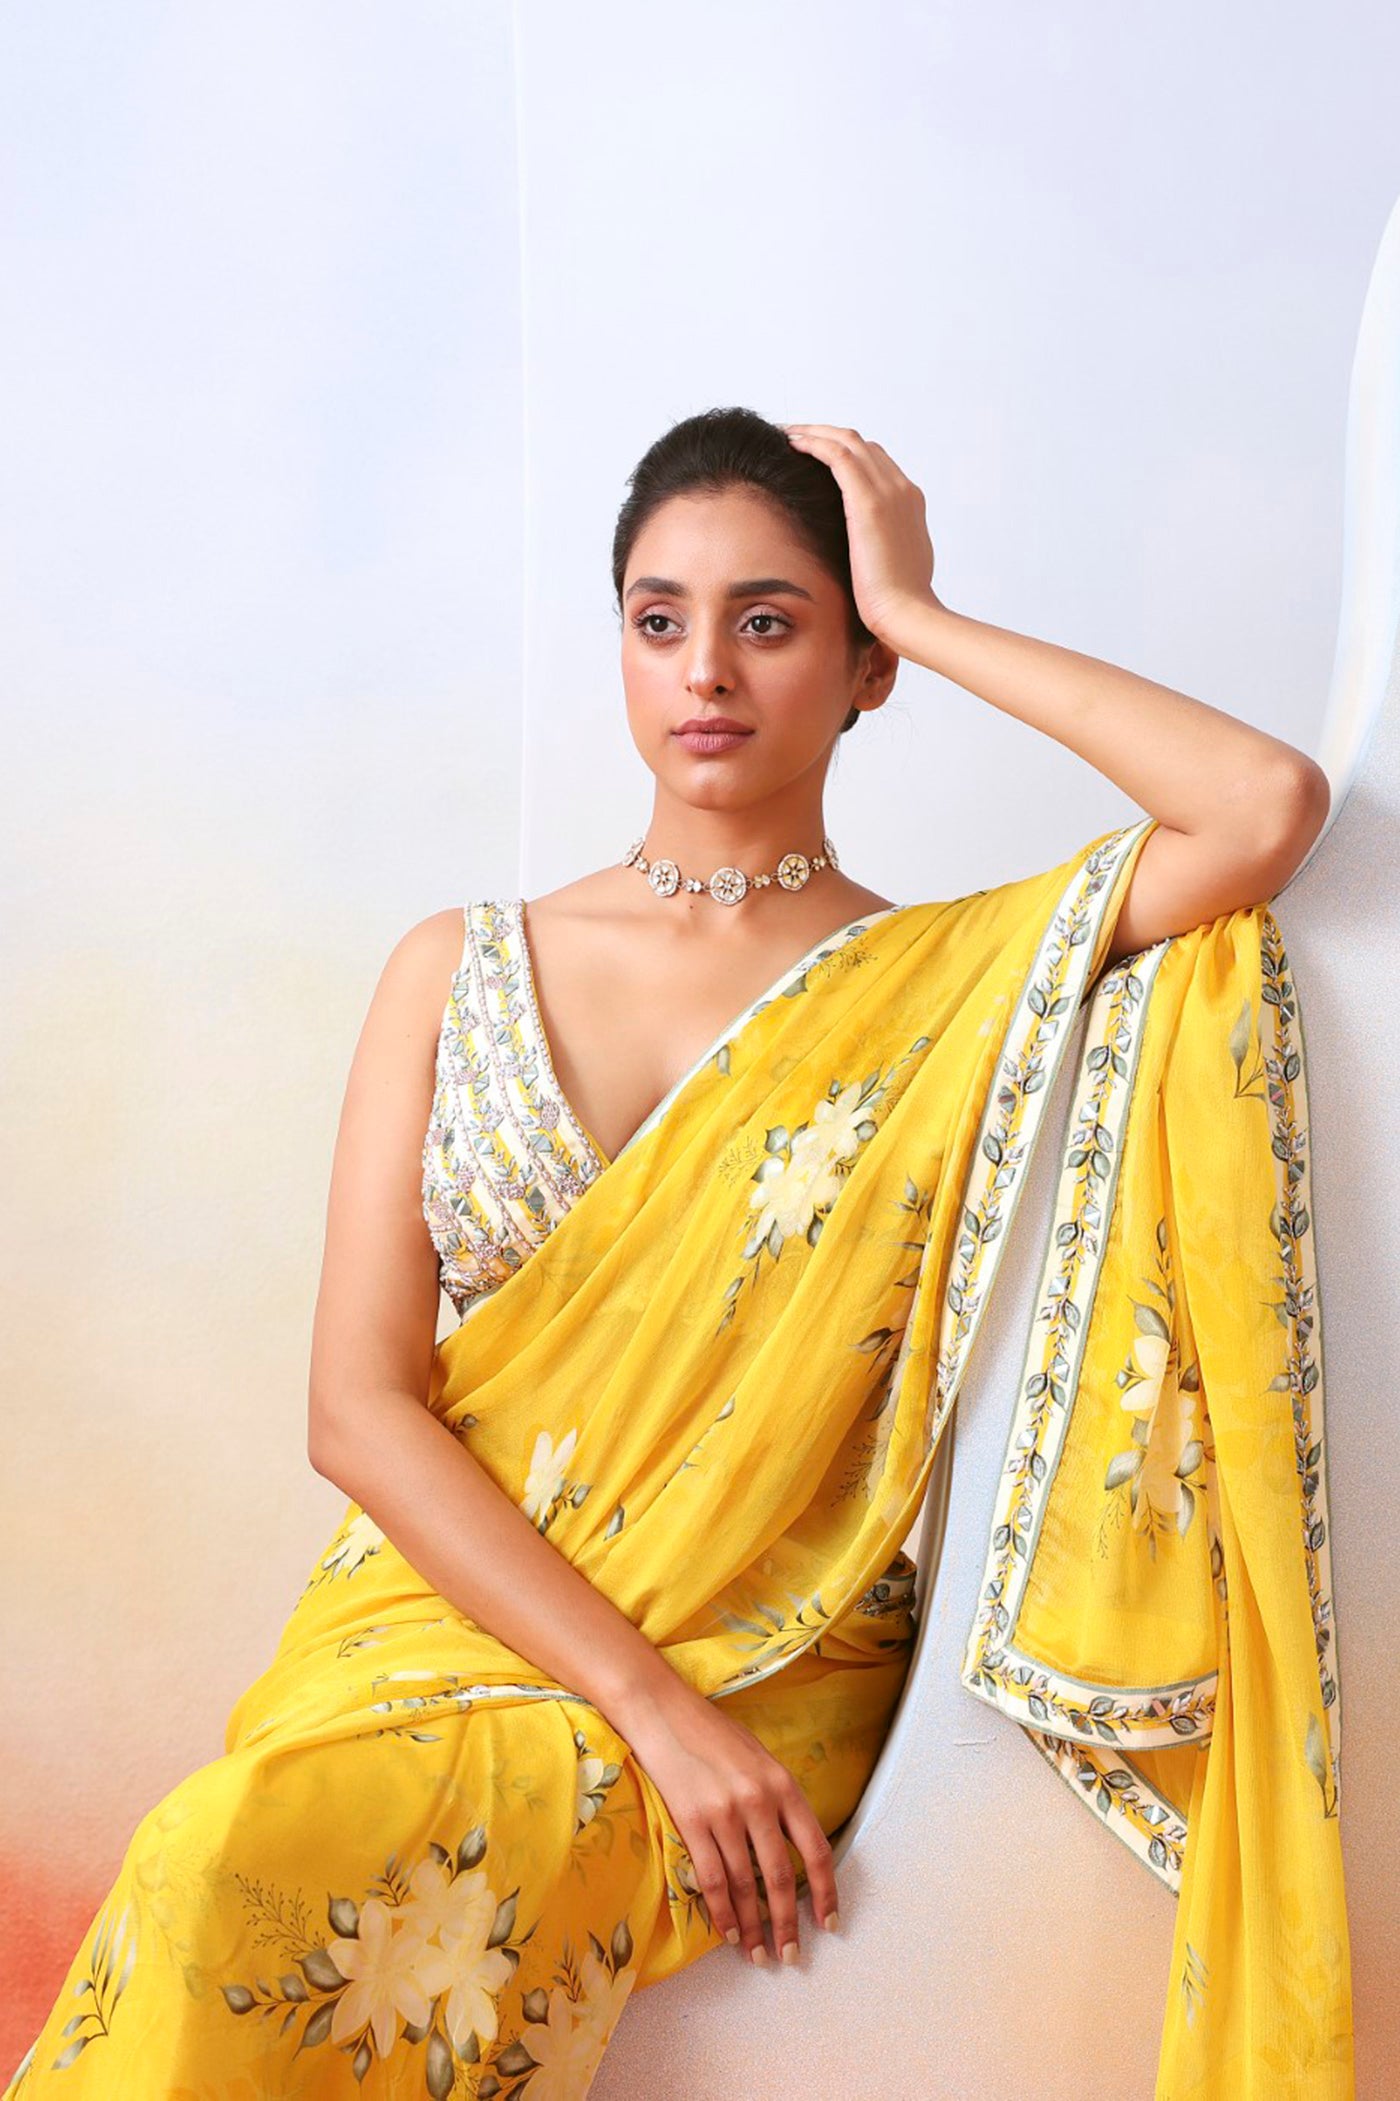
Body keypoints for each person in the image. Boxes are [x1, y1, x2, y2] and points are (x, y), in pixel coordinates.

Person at [6, 408, 1350, 2097]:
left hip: (769, 1653)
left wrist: (922, 608)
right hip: (460, 1626)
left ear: (863, 671)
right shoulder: (457, 965)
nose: (704, 668)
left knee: (269, 1879)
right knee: (214, 1858)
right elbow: (356, 1407)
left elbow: (1260, 803)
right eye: (660, 619)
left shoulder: (947, 983)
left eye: (770, 621)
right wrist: (648, 1708)